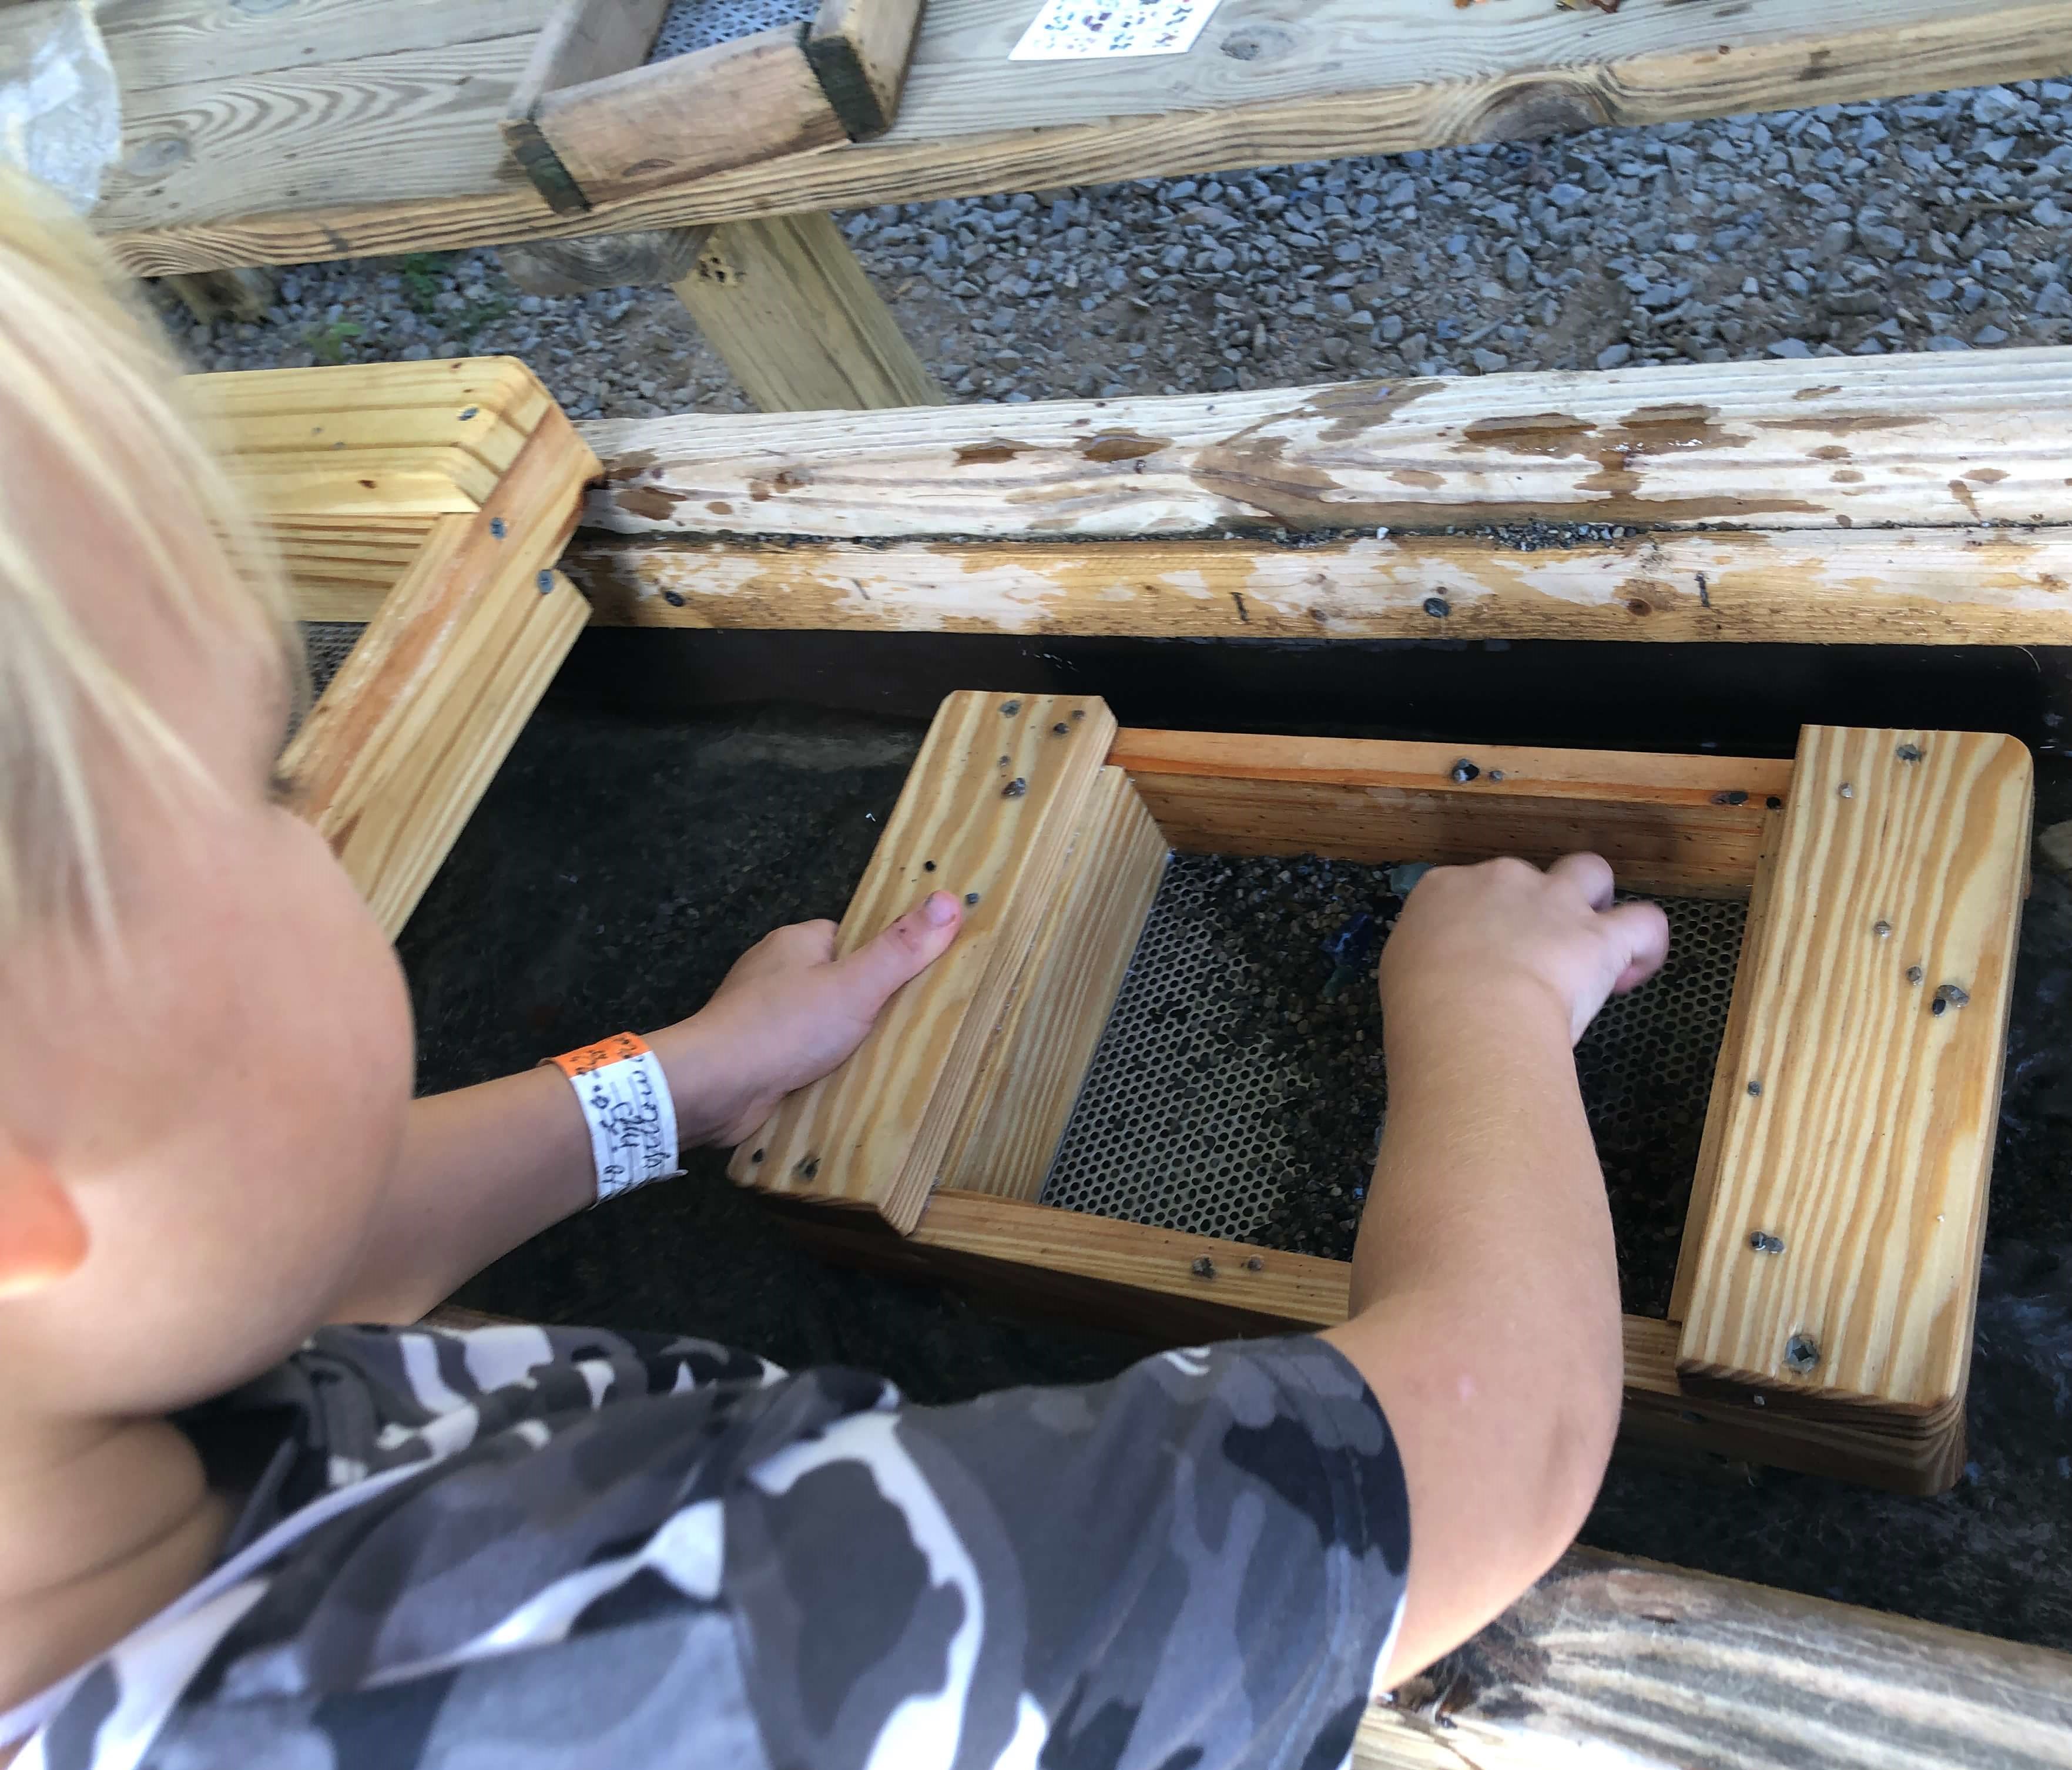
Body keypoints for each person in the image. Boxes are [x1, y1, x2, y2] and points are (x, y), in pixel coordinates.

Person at [0, 168, 1668, 1770]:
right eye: (263, 780)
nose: (310, 823)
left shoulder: (69, 1414)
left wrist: (667, 1089)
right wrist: (1490, 1013)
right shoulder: (680, 1667)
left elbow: (264, 1235)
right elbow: (1475, 1450)